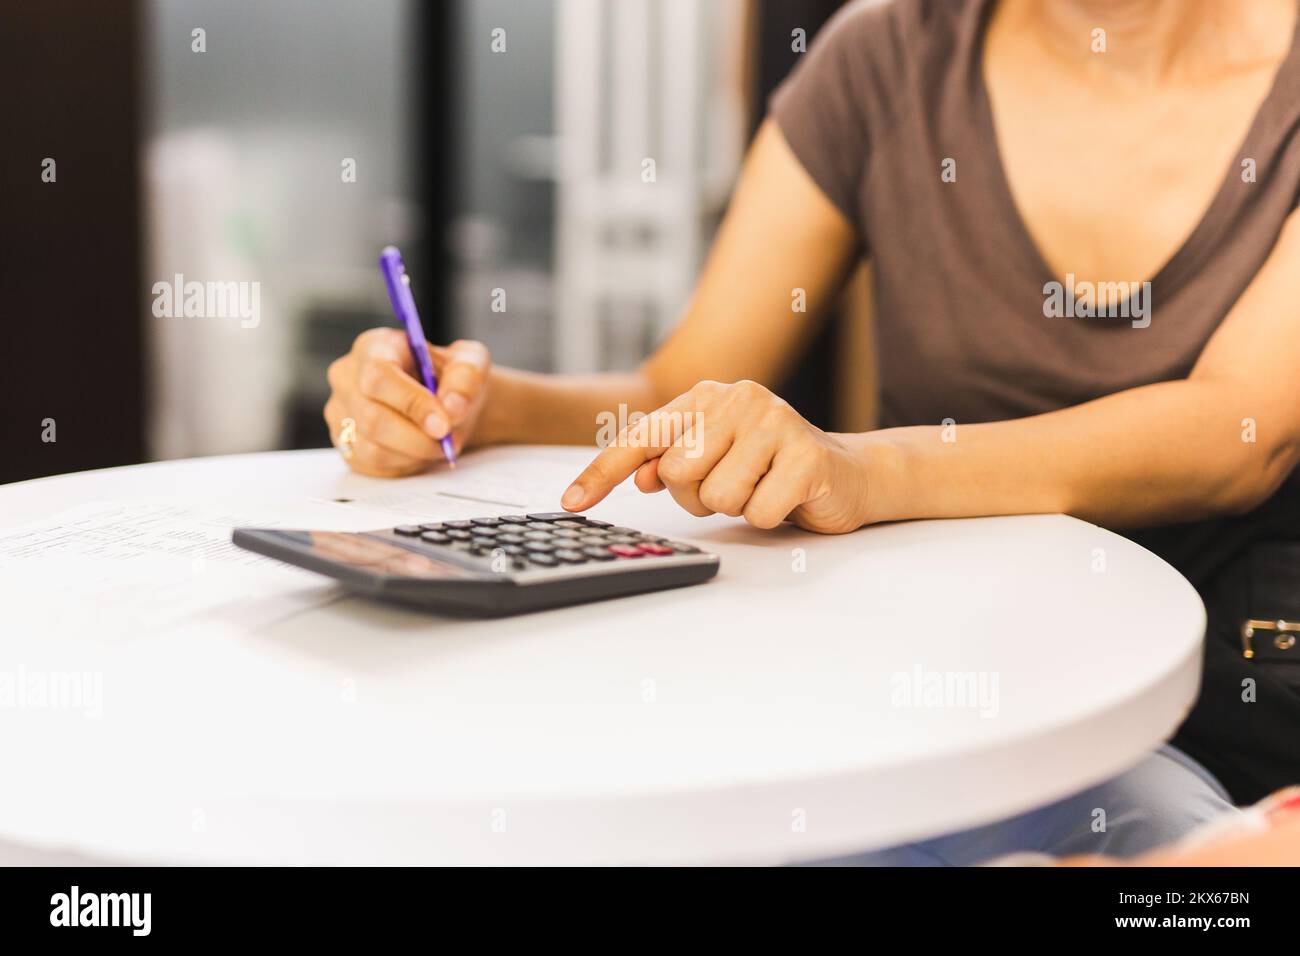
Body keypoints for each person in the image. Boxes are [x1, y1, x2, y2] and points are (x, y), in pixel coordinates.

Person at [324, 0, 1300, 860]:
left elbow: (1236, 431)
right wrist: (487, 407)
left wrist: (857, 468)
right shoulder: (886, 54)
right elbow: (677, 381)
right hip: (936, 693)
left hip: (1229, 710)